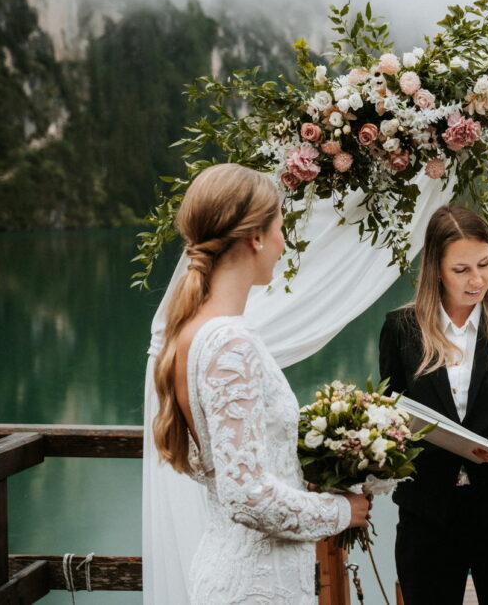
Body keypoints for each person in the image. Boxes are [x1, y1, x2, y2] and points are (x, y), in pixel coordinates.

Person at [151, 163, 371, 604]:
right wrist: (341, 511)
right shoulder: (229, 343)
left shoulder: (192, 333)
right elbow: (246, 496)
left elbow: (229, 469)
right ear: (255, 236)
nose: (283, 243)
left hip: (240, 572)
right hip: (257, 587)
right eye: (280, 228)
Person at [379, 205, 488, 605]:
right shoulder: (400, 329)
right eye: (461, 269)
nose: (477, 279)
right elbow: (389, 416)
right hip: (427, 516)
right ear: (436, 269)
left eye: (485, 264)